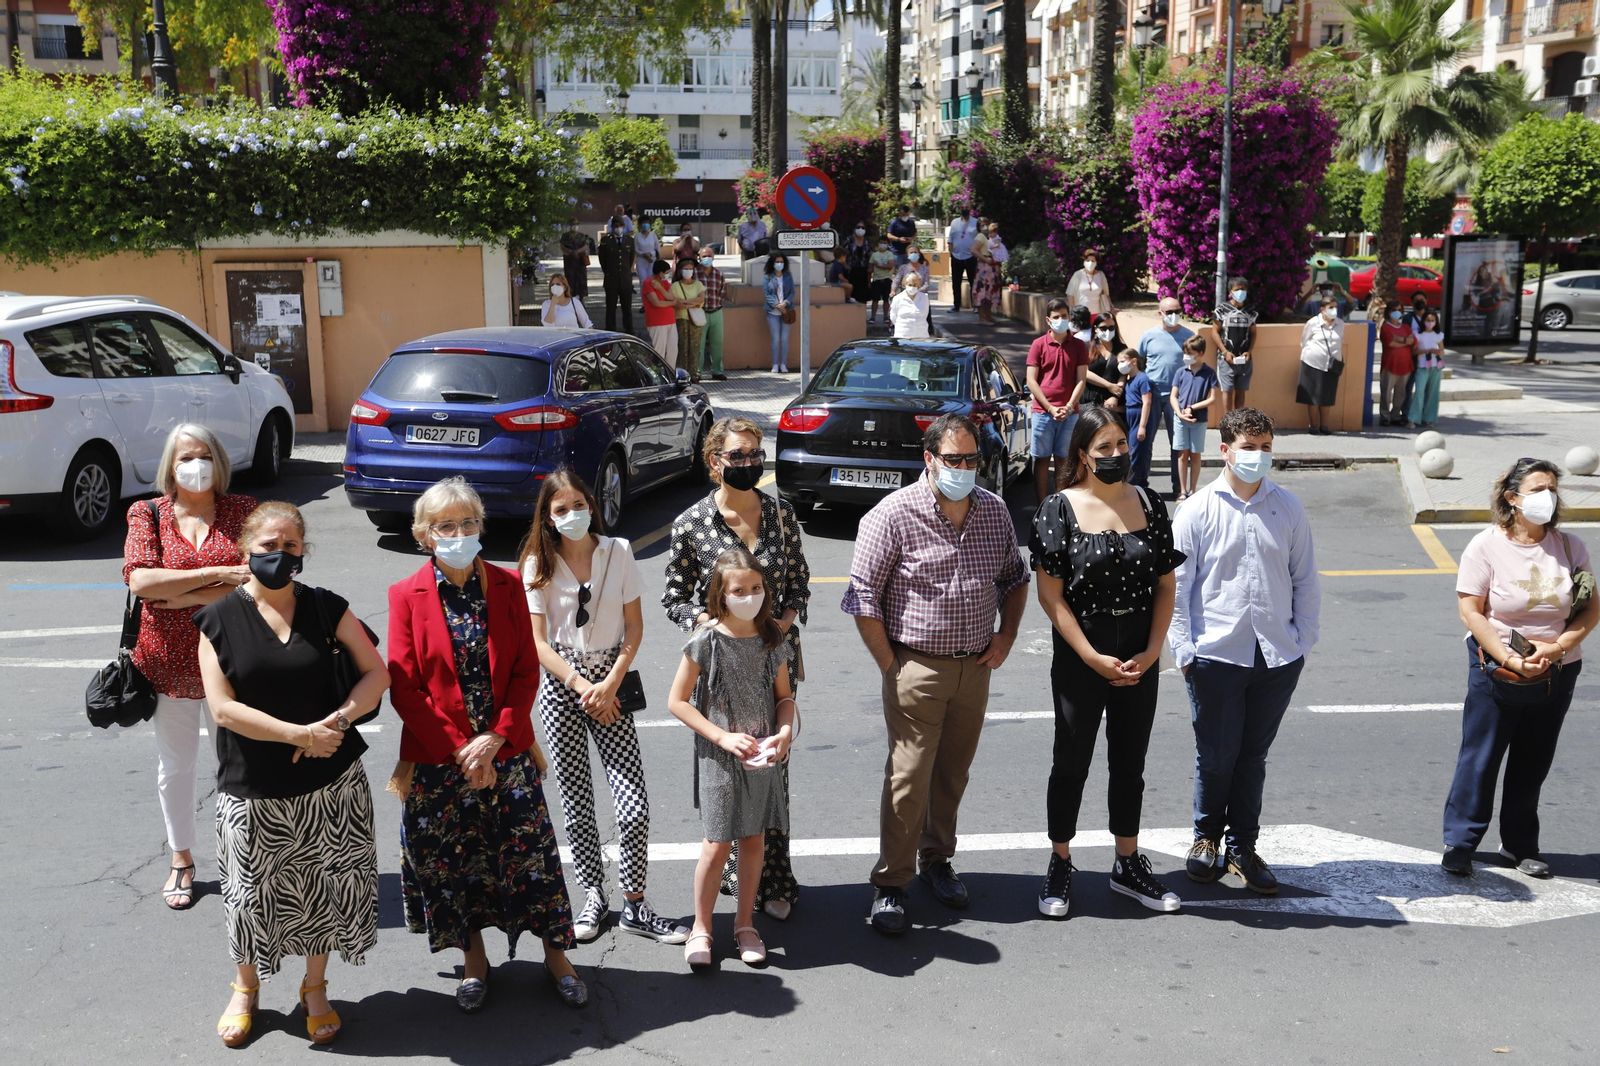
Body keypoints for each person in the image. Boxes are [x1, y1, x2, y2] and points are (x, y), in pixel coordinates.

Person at [388, 478, 586, 1012]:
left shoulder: (505, 586)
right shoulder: (405, 595)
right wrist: (462, 750)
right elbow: (404, 685)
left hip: (506, 747)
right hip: (439, 756)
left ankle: (557, 955)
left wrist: (494, 739)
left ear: (481, 525)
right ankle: (474, 960)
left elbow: (526, 670)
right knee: (455, 863)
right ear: (425, 536)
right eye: (445, 526)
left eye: (467, 522)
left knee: (533, 856)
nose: (458, 533)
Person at [196, 501, 388, 1048]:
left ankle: (315, 986)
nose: (279, 556)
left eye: (290, 547)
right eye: (268, 547)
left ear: (303, 551)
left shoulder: (327, 608)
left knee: (323, 889)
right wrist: (299, 734)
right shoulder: (217, 619)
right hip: (254, 786)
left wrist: (340, 719)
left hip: (332, 784)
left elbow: (378, 673)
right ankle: (246, 986)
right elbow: (223, 709)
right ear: (244, 549)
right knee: (250, 894)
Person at [843, 413, 1030, 935]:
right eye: (955, 460)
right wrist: (890, 665)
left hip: (975, 667)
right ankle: (890, 884)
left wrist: (1007, 634)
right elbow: (862, 597)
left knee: (952, 772)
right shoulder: (893, 514)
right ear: (929, 459)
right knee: (909, 779)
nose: (966, 468)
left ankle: (937, 861)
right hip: (915, 666)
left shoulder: (992, 511)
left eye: (973, 460)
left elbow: (1015, 579)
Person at [1031, 408, 1186, 918]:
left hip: (1140, 651)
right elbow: (1050, 597)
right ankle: (1060, 862)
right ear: (1081, 454)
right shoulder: (1059, 508)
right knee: (1070, 762)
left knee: (1130, 762)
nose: (1117, 454)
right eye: (1104, 448)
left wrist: (1151, 650)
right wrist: (1091, 656)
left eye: (1122, 443)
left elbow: (1166, 584)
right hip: (1083, 652)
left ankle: (1127, 862)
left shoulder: (1148, 500)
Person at [522, 471, 688, 945]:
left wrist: (610, 681)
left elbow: (634, 626)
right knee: (575, 800)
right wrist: (580, 684)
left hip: (612, 683)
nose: (571, 514)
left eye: (578, 504)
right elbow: (537, 641)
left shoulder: (618, 551)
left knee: (631, 804)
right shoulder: (538, 560)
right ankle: (593, 893)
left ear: (592, 506)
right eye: (560, 509)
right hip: (563, 687)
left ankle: (635, 902)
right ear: (548, 517)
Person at [663, 417, 811, 921]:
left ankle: (774, 878)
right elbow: (674, 599)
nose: (748, 463)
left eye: (754, 453)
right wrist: (715, 625)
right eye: (737, 455)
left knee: (773, 775)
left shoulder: (782, 515)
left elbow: (798, 585)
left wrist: (778, 629)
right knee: (725, 773)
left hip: (773, 663)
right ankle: (728, 875)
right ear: (715, 461)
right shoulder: (691, 524)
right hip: (719, 673)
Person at [1171, 408, 1320, 895]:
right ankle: (1205, 839)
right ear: (1226, 450)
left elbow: (1305, 580)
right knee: (1216, 756)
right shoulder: (1196, 509)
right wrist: (1185, 649)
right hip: (1215, 654)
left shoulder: (1289, 507)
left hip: (1276, 656)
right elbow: (1177, 587)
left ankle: (1242, 846)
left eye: (1266, 447)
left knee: (1251, 757)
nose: (1258, 456)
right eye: (1249, 447)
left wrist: (1302, 642)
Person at [123, 423, 258, 912]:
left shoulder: (245, 511)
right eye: (184, 457)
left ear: (218, 460)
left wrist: (175, 590)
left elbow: (254, 584)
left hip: (234, 660)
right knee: (176, 766)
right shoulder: (148, 513)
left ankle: (244, 861)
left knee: (239, 766)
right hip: (168, 662)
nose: (194, 465)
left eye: (203, 455)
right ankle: (182, 859)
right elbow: (141, 582)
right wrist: (216, 574)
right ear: (169, 466)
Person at [1443, 458, 1595, 878]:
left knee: (1534, 759)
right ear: (1512, 498)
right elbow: (1471, 612)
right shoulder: (1485, 546)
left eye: (1553, 488)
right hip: (1497, 666)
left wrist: (1559, 647)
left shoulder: (1569, 546)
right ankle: (1460, 842)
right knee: (1481, 756)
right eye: (1538, 489)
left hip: (1557, 669)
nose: (1549, 496)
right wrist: (1508, 658)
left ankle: (1520, 844)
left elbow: (1590, 609)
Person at [667, 548, 798, 968]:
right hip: (719, 758)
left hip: (760, 755)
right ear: (721, 596)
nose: (749, 596)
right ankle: (703, 928)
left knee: (754, 838)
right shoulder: (705, 640)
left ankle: (745, 925)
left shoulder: (773, 639)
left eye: (756, 588)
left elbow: (784, 698)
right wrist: (722, 737)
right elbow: (678, 701)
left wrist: (784, 732)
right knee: (716, 842)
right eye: (739, 590)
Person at [1027, 298, 1090, 503]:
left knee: (1065, 460)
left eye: (1064, 316)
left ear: (1069, 317)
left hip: (1070, 413)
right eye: (1056, 317)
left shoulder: (1079, 345)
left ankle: (1061, 503)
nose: (1061, 320)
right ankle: (1042, 504)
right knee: (1042, 459)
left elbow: (1081, 379)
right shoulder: (1038, 344)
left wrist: (1069, 406)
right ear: (1048, 320)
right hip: (1043, 412)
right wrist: (1050, 408)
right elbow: (1031, 380)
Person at [1137, 298, 1194, 500]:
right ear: (1160, 313)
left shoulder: (1188, 336)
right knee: (1145, 441)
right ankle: (1141, 487)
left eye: (1177, 311)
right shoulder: (1149, 336)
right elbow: (1140, 361)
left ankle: (1179, 488)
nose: (1173, 315)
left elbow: (1194, 366)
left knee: (1178, 444)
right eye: (1169, 311)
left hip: (1178, 397)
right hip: (1151, 395)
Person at [1170, 337, 1219, 501]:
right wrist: (1179, 412)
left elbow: (1212, 399)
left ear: (1200, 353)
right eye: (1185, 352)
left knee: (1195, 454)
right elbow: (1173, 396)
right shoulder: (1180, 372)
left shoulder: (1210, 373)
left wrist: (1193, 408)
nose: (1186, 356)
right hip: (1181, 419)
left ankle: (1192, 490)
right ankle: (1183, 490)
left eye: (1190, 353)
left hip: (1199, 419)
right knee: (1182, 454)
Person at [1208, 278, 1257, 415]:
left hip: (1244, 359)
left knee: (1241, 390)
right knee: (1227, 390)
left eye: (1243, 289)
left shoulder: (1251, 311)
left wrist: (1249, 351)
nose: (1240, 292)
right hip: (1226, 359)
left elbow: (1253, 333)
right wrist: (1224, 352)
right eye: (1237, 289)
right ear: (1231, 292)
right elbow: (1214, 332)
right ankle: (1228, 420)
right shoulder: (1222, 309)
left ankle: (1238, 420)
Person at [1297, 297, 1344, 436]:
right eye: (1330, 307)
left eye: (1335, 307)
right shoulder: (1313, 323)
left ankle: (1325, 425)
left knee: (1327, 396)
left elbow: (1340, 340)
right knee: (1312, 396)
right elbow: (1304, 341)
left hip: (1331, 366)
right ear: (1322, 309)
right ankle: (1314, 425)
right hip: (1313, 363)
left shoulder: (1340, 324)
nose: (1334, 310)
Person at [1118, 349, 1155, 489]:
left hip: (1139, 418)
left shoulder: (1143, 379)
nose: (1120, 365)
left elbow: (1147, 402)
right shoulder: (1129, 381)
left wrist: (1142, 426)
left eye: (1123, 361)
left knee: (1136, 453)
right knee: (1134, 452)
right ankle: (1140, 483)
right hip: (1130, 416)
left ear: (1133, 362)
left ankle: (1133, 484)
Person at [1378, 299, 1417, 427]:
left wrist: (1400, 339)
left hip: (1406, 364)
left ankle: (1395, 416)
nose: (1397, 312)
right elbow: (1389, 343)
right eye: (1394, 310)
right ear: (1388, 311)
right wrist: (1406, 342)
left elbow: (1413, 341)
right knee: (1386, 392)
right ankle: (1384, 416)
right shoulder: (1385, 327)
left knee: (1401, 393)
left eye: (1399, 310)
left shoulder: (1405, 327)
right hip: (1390, 364)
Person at [695, 249, 729, 381]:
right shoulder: (695, 273)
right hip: (700, 313)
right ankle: (697, 372)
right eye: (704, 256)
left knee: (717, 343)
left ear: (713, 257)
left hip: (716, 312)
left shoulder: (718, 274)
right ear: (699, 257)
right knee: (699, 345)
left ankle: (717, 371)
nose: (707, 258)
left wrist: (718, 302)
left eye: (709, 256)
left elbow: (723, 291)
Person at [672, 259, 707, 384]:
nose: (688, 271)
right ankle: (682, 374)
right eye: (685, 269)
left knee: (695, 346)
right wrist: (692, 303)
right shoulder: (676, 286)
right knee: (683, 346)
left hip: (695, 320)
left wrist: (685, 303)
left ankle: (693, 374)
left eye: (690, 269)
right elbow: (676, 302)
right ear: (681, 270)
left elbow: (701, 299)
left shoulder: (698, 284)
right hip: (681, 319)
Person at [1409, 309, 1445, 429]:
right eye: (1428, 320)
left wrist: (1438, 352)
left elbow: (1442, 350)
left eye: (1433, 320)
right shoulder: (1418, 334)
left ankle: (1429, 418)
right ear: (1423, 321)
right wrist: (1428, 351)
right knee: (1419, 391)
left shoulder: (1438, 335)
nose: (1430, 322)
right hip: (1422, 366)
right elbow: (1414, 351)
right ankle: (1413, 418)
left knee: (1433, 393)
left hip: (1435, 366)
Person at [597, 221, 635, 334]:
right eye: (616, 226)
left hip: (625, 279)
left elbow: (631, 258)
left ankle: (629, 331)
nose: (618, 228)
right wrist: (608, 272)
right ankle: (610, 331)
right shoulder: (606, 241)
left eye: (620, 226)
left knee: (627, 308)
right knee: (611, 308)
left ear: (624, 226)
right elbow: (602, 259)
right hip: (611, 279)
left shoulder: (629, 240)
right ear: (612, 227)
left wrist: (628, 273)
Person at [1079, 312, 1123, 409]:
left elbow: (1123, 374)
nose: (1107, 331)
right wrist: (1108, 385)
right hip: (1088, 400)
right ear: (1095, 329)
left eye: (1111, 328)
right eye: (1103, 328)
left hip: (1111, 403)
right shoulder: (1087, 348)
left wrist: (1115, 396)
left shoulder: (1121, 349)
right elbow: (1084, 372)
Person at [642, 259, 680, 367]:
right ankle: (657, 374)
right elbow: (656, 303)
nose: (667, 274)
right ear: (660, 272)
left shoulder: (663, 283)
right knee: (659, 351)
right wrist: (672, 303)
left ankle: (671, 373)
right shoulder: (648, 283)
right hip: (657, 322)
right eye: (666, 272)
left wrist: (660, 288)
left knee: (673, 350)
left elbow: (670, 296)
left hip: (670, 321)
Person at [1401, 291, 1433, 416]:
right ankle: (1406, 413)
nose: (1420, 302)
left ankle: (1422, 413)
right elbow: (1404, 334)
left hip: (1427, 357)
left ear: (1426, 301)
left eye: (1422, 299)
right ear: (1412, 302)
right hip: (1412, 356)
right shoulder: (1408, 318)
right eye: (1417, 299)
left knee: (1424, 388)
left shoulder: (1431, 317)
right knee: (1408, 387)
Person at [764, 254, 796, 373]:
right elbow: (766, 294)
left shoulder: (788, 276)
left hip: (787, 311)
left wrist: (785, 304)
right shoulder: (768, 277)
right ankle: (775, 364)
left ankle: (783, 363)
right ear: (773, 263)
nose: (779, 264)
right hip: (773, 312)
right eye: (777, 261)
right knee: (775, 339)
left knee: (784, 339)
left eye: (781, 261)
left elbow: (792, 292)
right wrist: (777, 305)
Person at [946, 207, 980, 313]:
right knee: (956, 282)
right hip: (956, 257)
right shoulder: (955, 222)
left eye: (967, 207)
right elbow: (950, 239)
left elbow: (980, 237)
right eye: (963, 207)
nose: (965, 209)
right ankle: (956, 305)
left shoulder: (976, 222)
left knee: (973, 282)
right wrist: (951, 253)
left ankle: (975, 305)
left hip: (971, 256)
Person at [1065, 248, 1114, 318]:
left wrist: (1111, 307)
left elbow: (1106, 294)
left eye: (1093, 261)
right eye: (1088, 260)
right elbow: (1070, 295)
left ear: (1096, 262)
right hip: (1080, 314)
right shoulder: (1078, 275)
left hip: (1097, 314)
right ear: (1084, 261)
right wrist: (1072, 312)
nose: (1090, 263)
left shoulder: (1100, 275)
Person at [971, 227, 1000, 325]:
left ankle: (988, 316)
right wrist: (985, 259)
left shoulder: (990, 238)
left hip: (990, 269)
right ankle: (982, 318)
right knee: (982, 291)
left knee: (990, 291)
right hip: (984, 267)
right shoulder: (981, 236)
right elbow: (973, 250)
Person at [890, 271, 931, 339]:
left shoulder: (924, 298)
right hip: (902, 335)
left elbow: (925, 314)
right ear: (904, 285)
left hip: (921, 336)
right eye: (910, 285)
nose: (912, 287)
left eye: (915, 285)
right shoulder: (898, 298)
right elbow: (893, 316)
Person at [559, 218, 591, 304]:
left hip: (580, 260)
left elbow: (586, 246)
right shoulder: (565, 236)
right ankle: (570, 297)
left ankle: (581, 298)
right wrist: (570, 252)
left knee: (581, 279)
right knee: (570, 279)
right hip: (569, 261)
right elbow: (562, 247)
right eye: (573, 225)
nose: (575, 226)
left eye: (576, 225)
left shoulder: (582, 236)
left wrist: (577, 251)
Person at [844, 225, 873, 310]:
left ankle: (862, 314)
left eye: (863, 228)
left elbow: (870, 254)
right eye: (858, 227)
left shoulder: (867, 242)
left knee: (863, 294)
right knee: (853, 294)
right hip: (851, 270)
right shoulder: (849, 240)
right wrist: (845, 265)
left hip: (864, 270)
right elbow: (843, 254)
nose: (860, 229)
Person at [869, 236, 897, 322]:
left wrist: (879, 266)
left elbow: (890, 266)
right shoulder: (874, 255)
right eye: (881, 242)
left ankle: (886, 316)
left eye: (885, 243)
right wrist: (868, 280)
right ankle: (873, 317)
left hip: (887, 279)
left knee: (886, 299)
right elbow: (870, 268)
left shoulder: (889, 254)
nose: (882, 244)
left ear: (888, 244)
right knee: (875, 300)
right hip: (876, 279)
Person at [633, 220, 661, 296]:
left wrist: (650, 254)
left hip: (652, 261)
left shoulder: (653, 235)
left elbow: (658, 249)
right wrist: (643, 254)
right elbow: (635, 249)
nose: (645, 225)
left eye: (647, 223)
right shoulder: (637, 236)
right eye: (643, 223)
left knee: (651, 281)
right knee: (643, 282)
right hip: (641, 261)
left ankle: (652, 300)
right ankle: (644, 303)